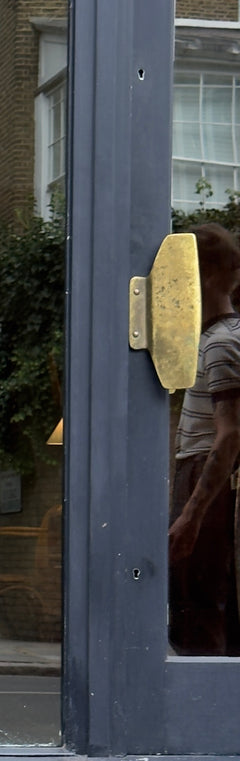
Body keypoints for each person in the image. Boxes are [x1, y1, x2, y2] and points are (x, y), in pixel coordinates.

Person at [169, 222, 240, 655]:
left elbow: (229, 436)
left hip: (206, 483)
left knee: (199, 622)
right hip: (200, 480)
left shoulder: (221, 343)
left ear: (209, 276)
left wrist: (190, 516)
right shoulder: (213, 340)